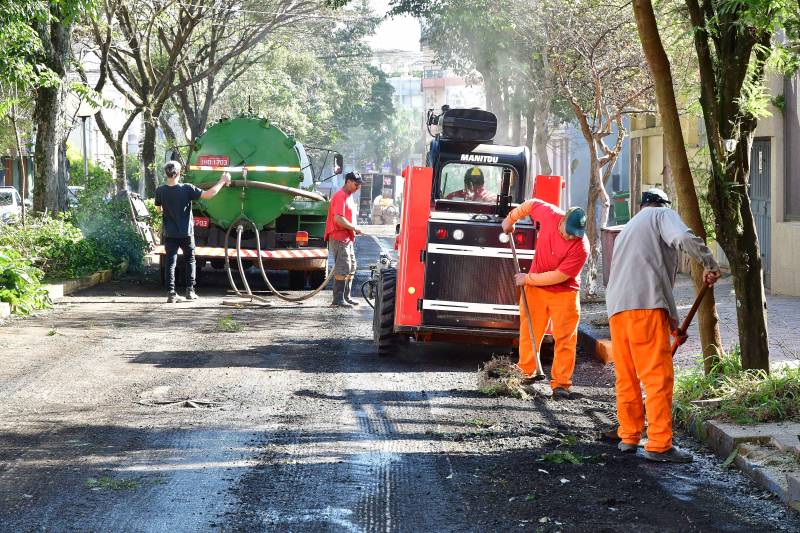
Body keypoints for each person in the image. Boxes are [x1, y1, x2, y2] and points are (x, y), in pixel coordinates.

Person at [606, 187, 721, 463]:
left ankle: (629, 436)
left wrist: (672, 327)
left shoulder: (628, 229)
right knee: (658, 378)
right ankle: (659, 444)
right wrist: (709, 262)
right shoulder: (662, 214)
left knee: (628, 378)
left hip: (617, 311)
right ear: (662, 204)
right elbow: (682, 237)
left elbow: (645, 274)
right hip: (645, 309)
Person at [502, 199, 589, 399]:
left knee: (565, 339)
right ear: (562, 220)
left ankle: (561, 384)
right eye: (568, 232)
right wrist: (510, 218)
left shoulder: (582, 247)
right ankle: (525, 371)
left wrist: (528, 278)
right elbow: (530, 204)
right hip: (535, 291)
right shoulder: (549, 214)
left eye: (574, 234)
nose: (570, 237)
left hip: (564, 293)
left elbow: (559, 276)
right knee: (530, 330)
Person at [155, 161, 230, 303]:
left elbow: (159, 210)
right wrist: (222, 181)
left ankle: (171, 293)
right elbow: (209, 194)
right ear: (178, 173)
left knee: (171, 262)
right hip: (186, 233)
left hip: (170, 233)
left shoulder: (160, 190)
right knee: (190, 260)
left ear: (166, 173)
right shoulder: (187, 189)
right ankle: (190, 291)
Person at [325, 171, 364, 307]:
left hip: (347, 238)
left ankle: (346, 296)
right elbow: (338, 218)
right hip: (339, 237)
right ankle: (337, 300)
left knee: (351, 266)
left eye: (359, 184)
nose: (358, 187)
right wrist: (354, 228)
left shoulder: (349, 196)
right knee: (343, 267)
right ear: (348, 182)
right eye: (356, 184)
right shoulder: (340, 196)